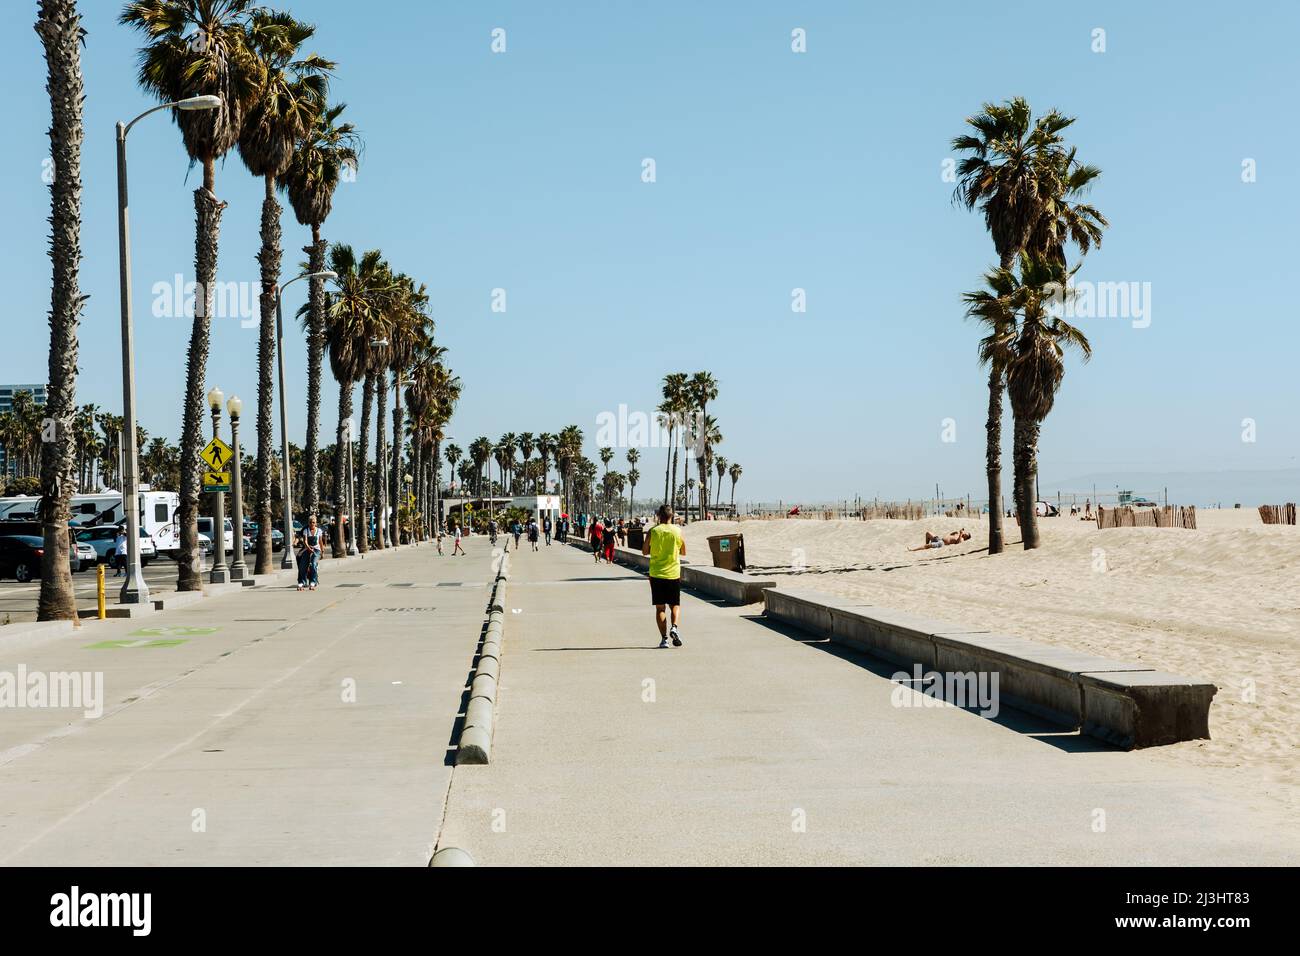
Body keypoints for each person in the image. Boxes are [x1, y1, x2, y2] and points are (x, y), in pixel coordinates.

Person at [643, 504, 685, 648]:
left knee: (660, 608)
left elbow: (644, 551)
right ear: (671, 516)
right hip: (673, 573)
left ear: (658, 516)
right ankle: (674, 626)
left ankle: (664, 639)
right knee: (675, 604)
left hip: (656, 573)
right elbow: (683, 551)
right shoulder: (677, 531)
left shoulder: (653, 531)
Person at [296, 515, 323, 591]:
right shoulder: (306, 530)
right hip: (307, 549)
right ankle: (302, 582)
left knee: (313, 564)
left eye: (313, 522)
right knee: (302, 565)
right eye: (310, 522)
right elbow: (305, 541)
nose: (312, 524)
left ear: (316, 523)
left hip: (316, 550)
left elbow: (320, 542)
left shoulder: (319, 531)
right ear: (308, 523)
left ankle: (313, 582)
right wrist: (308, 548)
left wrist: (322, 552)